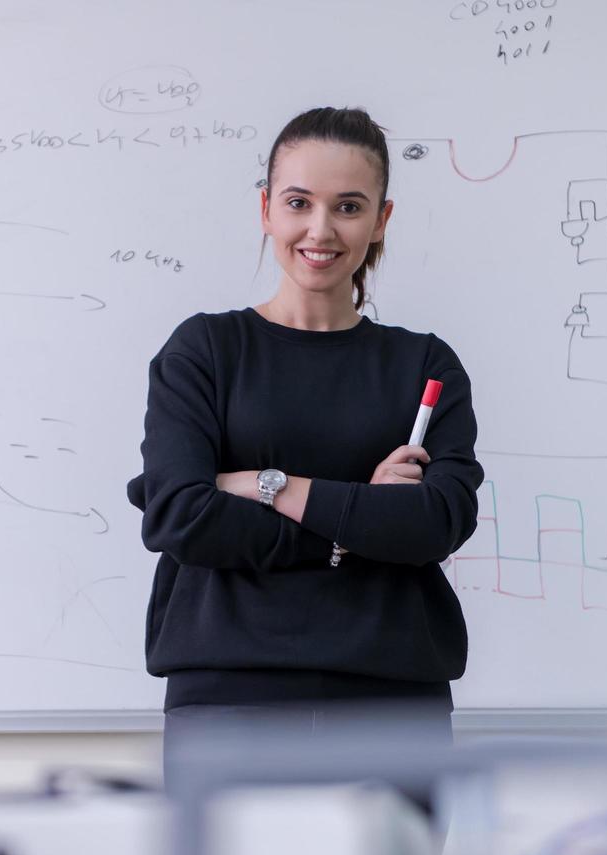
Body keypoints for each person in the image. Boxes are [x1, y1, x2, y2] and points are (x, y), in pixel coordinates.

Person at [125, 106, 485, 786]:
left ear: (381, 220)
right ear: (267, 209)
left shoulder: (425, 366)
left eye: (348, 206)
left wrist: (268, 485)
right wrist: (359, 523)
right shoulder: (204, 352)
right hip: (229, 704)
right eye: (299, 202)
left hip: (392, 706)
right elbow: (179, 516)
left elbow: (436, 523)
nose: (321, 229)